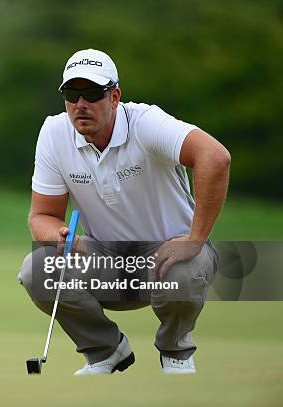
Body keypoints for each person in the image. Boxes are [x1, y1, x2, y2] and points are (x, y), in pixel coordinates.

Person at [17, 49, 230, 375]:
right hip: (105, 260)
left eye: (91, 93)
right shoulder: (54, 133)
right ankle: (107, 352)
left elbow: (215, 158)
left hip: (171, 255)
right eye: (72, 94)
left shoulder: (146, 123)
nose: (80, 104)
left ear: (114, 96)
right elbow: (41, 217)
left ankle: (176, 352)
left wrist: (195, 239)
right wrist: (62, 236)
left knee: (183, 273)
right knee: (37, 269)